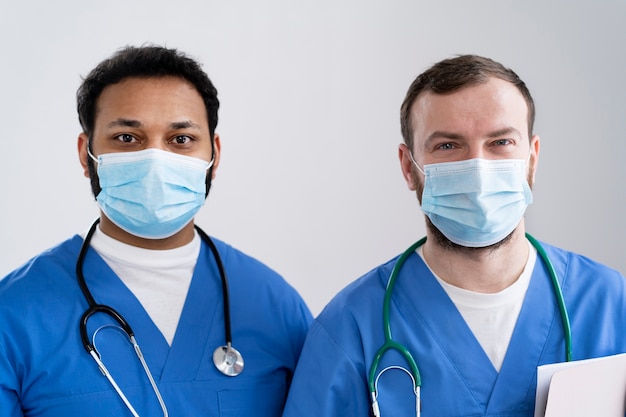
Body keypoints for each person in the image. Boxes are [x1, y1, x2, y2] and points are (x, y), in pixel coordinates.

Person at [281, 55, 626, 417]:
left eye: (501, 142)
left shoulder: (610, 306)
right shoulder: (350, 329)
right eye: (447, 146)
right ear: (408, 167)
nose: (478, 168)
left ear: (532, 158)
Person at [0, 45, 312, 417]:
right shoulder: (15, 314)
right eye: (127, 138)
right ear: (86, 155)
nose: (155, 159)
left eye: (181, 139)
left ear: (214, 155)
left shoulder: (274, 307)